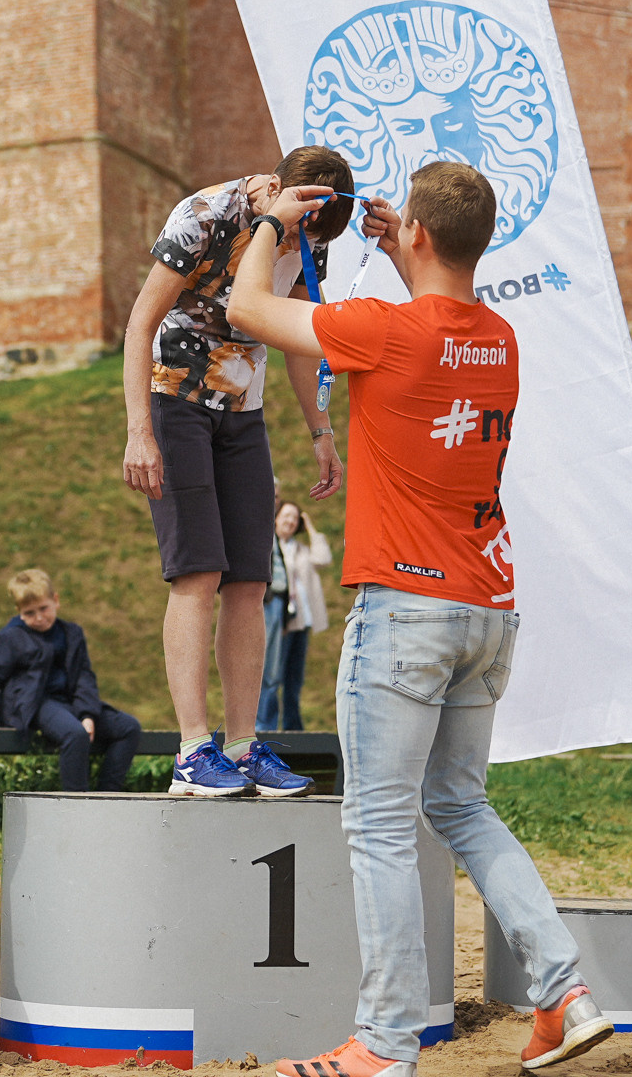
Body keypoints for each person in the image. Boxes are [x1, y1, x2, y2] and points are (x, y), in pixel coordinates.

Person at [227, 163, 616, 1077]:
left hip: (404, 612)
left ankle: (386, 1044)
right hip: (487, 607)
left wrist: (274, 227)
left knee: (381, 827)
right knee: (463, 806)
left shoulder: (381, 332)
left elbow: (249, 309)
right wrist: (413, 257)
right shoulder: (502, 339)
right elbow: (440, 332)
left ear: (421, 237)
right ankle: (565, 989)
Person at [121, 148, 357, 798]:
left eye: (319, 235)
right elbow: (140, 324)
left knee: (252, 580)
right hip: (175, 402)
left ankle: (244, 745)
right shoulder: (205, 214)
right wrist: (140, 432)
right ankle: (193, 751)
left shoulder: (316, 232)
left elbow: (299, 340)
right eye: (301, 225)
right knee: (198, 572)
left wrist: (321, 433)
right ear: (278, 190)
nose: (305, 243)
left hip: (242, 416)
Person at [0, 569, 143, 792]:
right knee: (75, 734)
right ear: (19, 612)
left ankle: (108, 794)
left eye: (43, 609)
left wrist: (87, 714)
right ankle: (76, 802)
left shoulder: (72, 634)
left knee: (128, 727)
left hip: (70, 702)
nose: (39, 618)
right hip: (36, 703)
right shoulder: (12, 637)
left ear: (56, 600)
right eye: (30, 613)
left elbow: (84, 676)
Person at [276, 500, 332, 732]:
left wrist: (310, 528)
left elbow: (323, 559)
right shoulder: (272, 548)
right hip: (280, 622)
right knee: (272, 678)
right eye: (286, 515)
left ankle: (292, 727)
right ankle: (265, 725)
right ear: (275, 518)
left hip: (302, 623)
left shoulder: (301, 549)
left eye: (295, 518)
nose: (291, 521)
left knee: (294, 678)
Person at [256, 504, 293, 734]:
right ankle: (256, 725)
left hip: (278, 603)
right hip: (265, 602)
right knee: (260, 667)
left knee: (273, 671)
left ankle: (268, 726)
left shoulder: (274, 534)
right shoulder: (257, 526)